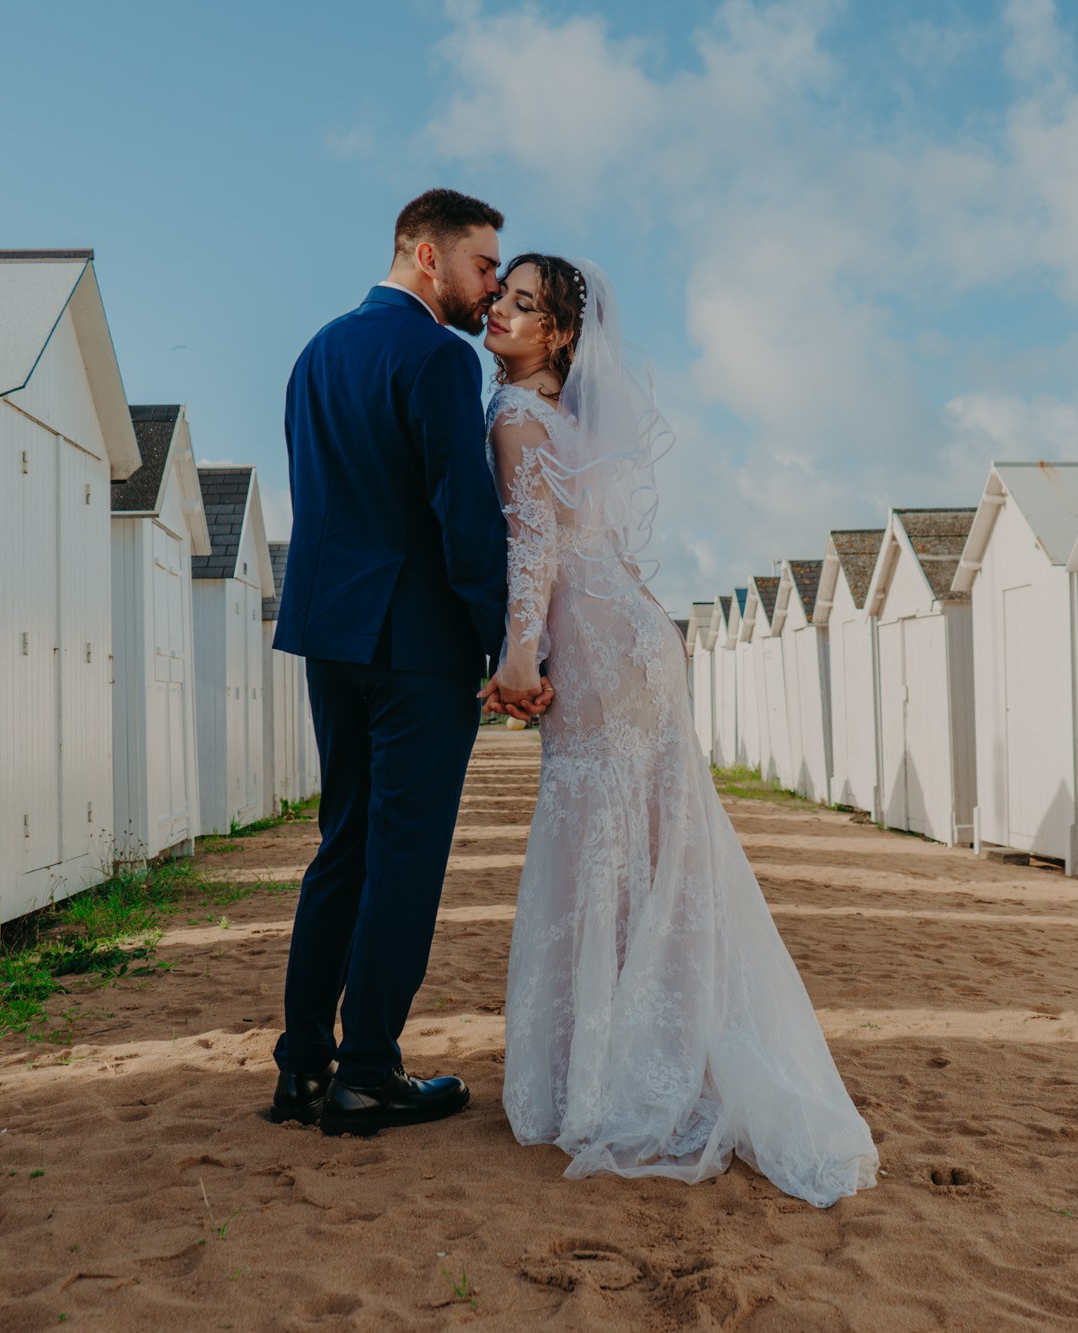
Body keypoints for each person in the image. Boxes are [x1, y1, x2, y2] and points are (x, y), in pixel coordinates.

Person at [479, 254, 879, 1207]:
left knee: (597, 844)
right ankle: (669, 1052)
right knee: (652, 846)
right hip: (642, 639)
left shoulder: (515, 416)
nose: (499, 309)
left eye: (523, 304)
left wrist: (519, 656)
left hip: (591, 643)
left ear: (560, 336)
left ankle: (613, 1072)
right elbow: (604, 546)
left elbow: (536, 546)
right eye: (500, 295)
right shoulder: (573, 422)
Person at [268, 189, 552, 1138]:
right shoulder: (434, 357)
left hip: (328, 636)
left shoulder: (313, 354)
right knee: (405, 857)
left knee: (341, 842)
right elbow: (462, 518)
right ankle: (370, 1071)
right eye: (482, 268)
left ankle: (302, 1065)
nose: (488, 293)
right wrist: (507, 647)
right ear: (428, 257)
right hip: (417, 647)